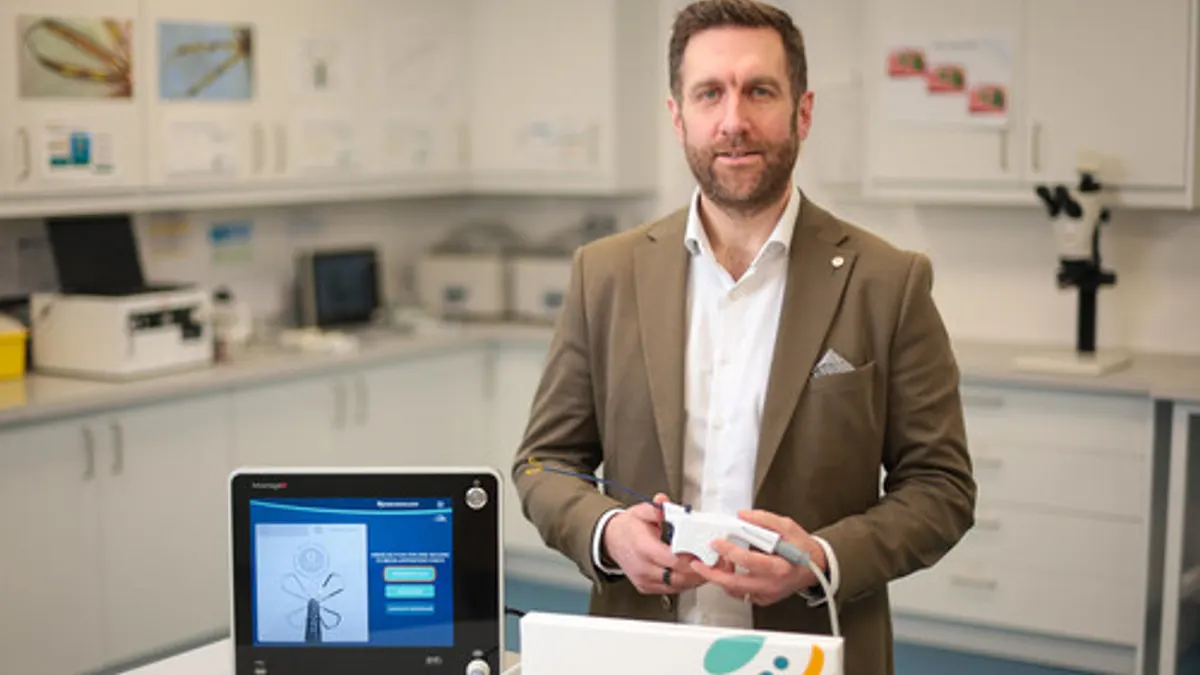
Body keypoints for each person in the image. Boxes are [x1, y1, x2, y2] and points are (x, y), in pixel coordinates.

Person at [510, 1, 976, 673]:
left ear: (802, 111)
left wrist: (820, 557)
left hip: (813, 648)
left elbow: (941, 486)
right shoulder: (605, 273)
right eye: (709, 93)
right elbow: (544, 463)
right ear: (679, 117)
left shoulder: (887, 281)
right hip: (637, 648)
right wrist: (609, 531)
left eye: (759, 90)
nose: (734, 120)